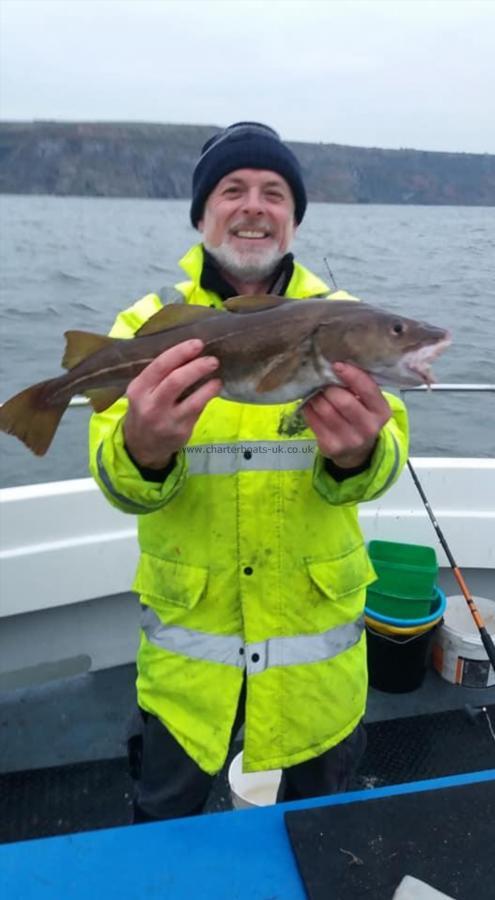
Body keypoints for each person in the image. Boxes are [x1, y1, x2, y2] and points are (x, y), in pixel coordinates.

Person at [89, 122, 409, 822]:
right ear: (201, 215)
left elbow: (387, 464)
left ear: (293, 218)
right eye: (231, 190)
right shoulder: (145, 323)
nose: (253, 206)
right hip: (186, 672)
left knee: (323, 835)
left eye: (273, 192)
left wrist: (355, 454)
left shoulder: (343, 318)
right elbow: (113, 479)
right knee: (164, 831)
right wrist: (145, 448)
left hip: (312, 669)